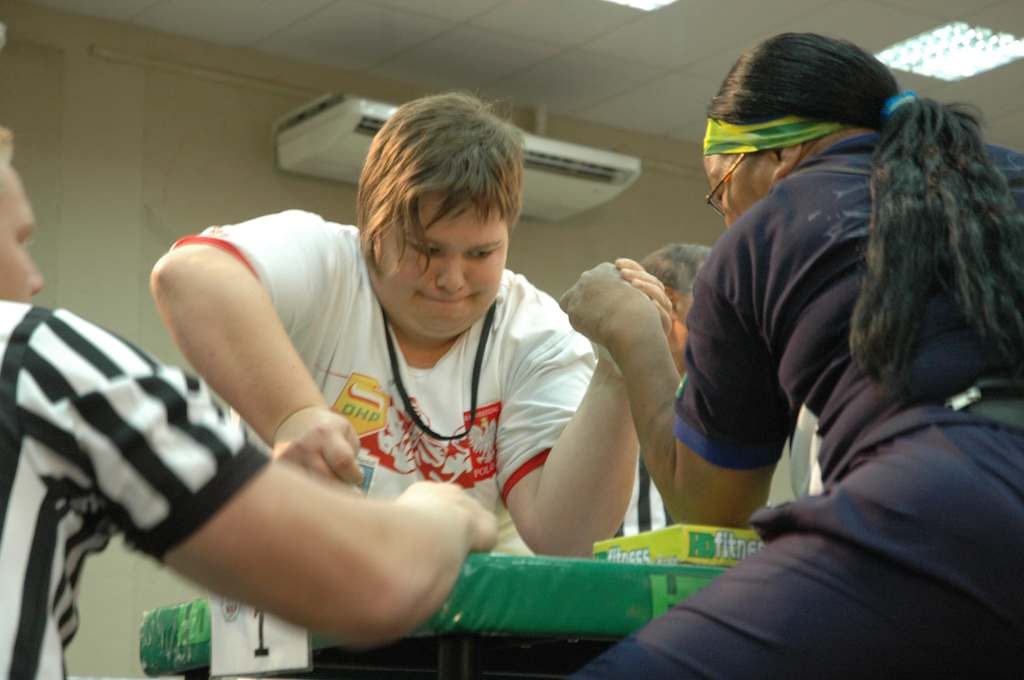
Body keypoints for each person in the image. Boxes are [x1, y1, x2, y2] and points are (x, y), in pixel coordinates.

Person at [562, 32, 1024, 677]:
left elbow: (713, 505)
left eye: (719, 191)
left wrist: (633, 335)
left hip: (948, 496)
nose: (726, 221)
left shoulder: (765, 230)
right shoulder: (1004, 178)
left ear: (775, 158)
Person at [0, 122, 498, 679]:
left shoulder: (528, 325)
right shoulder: (39, 358)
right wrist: (443, 512)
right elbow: (374, 582)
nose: (35, 278)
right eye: (20, 243)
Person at [150, 92, 643, 556]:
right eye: (427, 250)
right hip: (291, 606)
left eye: (480, 253)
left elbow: (564, 539)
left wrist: (618, 376)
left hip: (458, 627)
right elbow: (187, 275)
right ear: (373, 227)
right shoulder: (326, 265)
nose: (451, 279)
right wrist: (295, 417)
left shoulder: (532, 332)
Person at [616, 243, 709, 537]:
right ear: (669, 302)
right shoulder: (612, 397)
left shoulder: (712, 396)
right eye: (721, 304)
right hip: (623, 577)